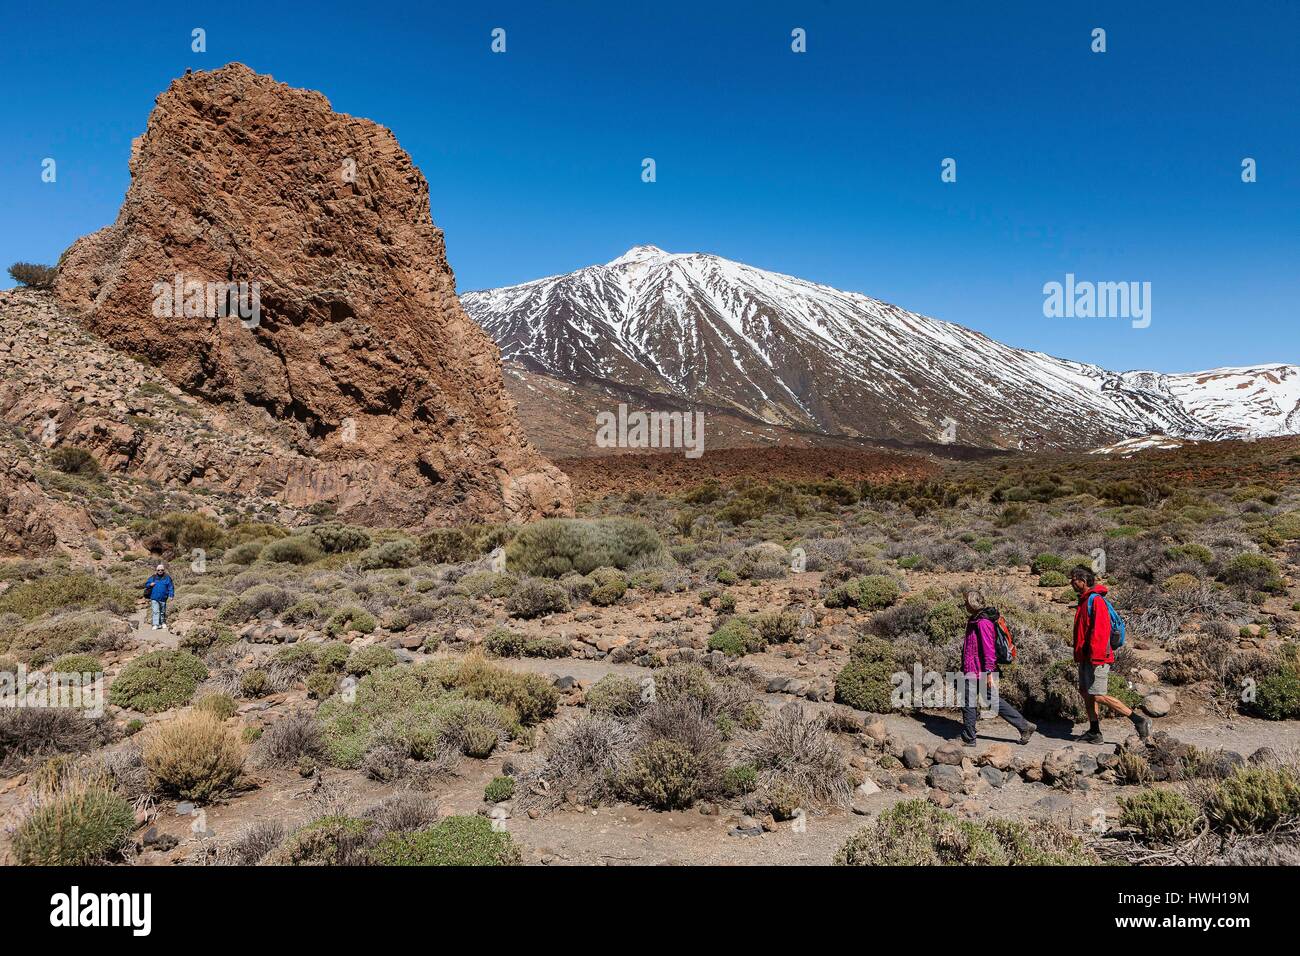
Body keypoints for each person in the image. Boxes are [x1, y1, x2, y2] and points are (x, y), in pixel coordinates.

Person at [1070, 565, 1151, 743]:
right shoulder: (1084, 600)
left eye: (1074, 579)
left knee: (1098, 695)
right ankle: (1094, 731)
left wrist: (1096, 657)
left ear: (1083, 581)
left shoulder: (1095, 600)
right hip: (1086, 656)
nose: (1071, 583)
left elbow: (1100, 631)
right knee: (1086, 693)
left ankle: (1139, 720)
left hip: (1096, 657)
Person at [960, 589, 1036, 747]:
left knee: (969, 701)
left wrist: (989, 673)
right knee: (991, 700)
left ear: (973, 604)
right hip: (973, 668)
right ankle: (1024, 726)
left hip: (979, 670)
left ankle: (969, 738)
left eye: (966, 602)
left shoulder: (983, 623)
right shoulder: (975, 620)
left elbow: (989, 650)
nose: (964, 604)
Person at [144, 563, 175, 631]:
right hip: (154, 597)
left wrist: (171, 595)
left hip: (163, 598)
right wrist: (150, 584)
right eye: (158, 570)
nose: (160, 571)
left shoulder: (167, 578)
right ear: (156, 570)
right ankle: (155, 624)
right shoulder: (153, 577)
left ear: (164, 570)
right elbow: (146, 584)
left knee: (162, 611)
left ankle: (162, 622)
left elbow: (171, 587)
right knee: (155, 611)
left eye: (162, 570)